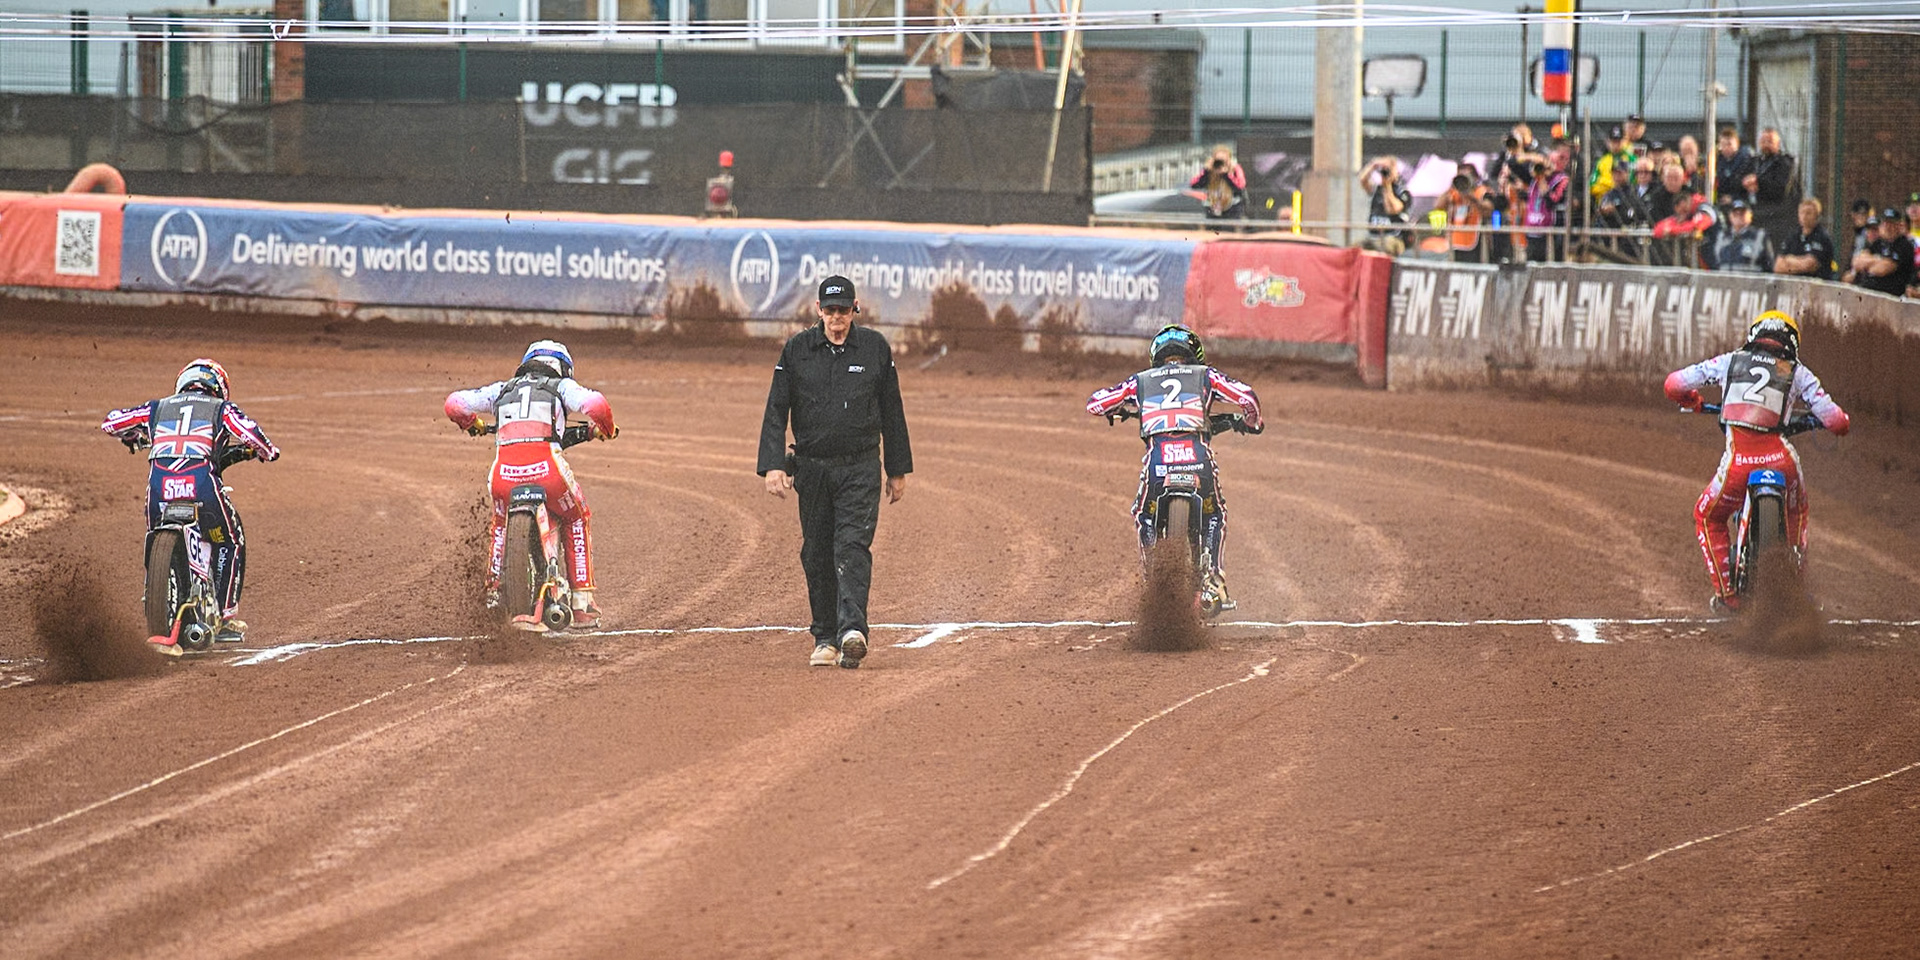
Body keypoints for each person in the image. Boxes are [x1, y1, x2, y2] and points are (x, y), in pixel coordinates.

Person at [757, 276, 912, 669]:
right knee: (817, 552)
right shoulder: (797, 351)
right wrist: (773, 465)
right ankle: (825, 635)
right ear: (818, 311)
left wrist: (897, 470)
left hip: (859, 466)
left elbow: (892, 410)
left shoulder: (875, 349)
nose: (837, 318)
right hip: (811, 469)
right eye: (830, 311)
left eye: (844, 311)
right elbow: (777, 410)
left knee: (851, 546)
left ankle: (852, 631)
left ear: (854, 309)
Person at [1663, 311, 1850, 613]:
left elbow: (1673, 385)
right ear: (1791, 343)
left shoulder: (1729, 361)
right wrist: (1838, 422)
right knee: (1798, 509)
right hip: (1781, 460)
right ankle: (1797, 587)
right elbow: (1837, 422)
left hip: (1738, 463)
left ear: (1753, 336)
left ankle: (1728, 597)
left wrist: (1692, 401)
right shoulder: (1798, 372)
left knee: (1707, 517)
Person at [100, 359, 281, 649]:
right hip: (202, 486)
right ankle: (224, 616)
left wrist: (134, 436)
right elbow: (249, 432)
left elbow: (110, 423)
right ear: (219, 387)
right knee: (229, 540)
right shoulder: (221, 409)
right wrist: (268, 451)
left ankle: (155, 595)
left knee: (152, 535)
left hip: (160, 488)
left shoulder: (157, 408)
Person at [1085, 324, 1263, 616]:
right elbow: (1248, 398)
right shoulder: (1206, 376)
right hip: (1198, 457)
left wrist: (1114, 410)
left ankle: (1151, 582)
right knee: (1215, 514)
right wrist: (1253, 423)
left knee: (1143, 515)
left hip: (1158, 461)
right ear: (1195, 354)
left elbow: (1095, 404)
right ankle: (1214, 581)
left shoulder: (1139, 382)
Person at [444, 340, 618, 629]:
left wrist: (471, 423)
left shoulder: (502, 390)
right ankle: (581, 603)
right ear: (563, 368)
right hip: (549, 473)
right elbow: (597, 404)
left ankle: (493, 595)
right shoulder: (561, 387)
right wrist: (606, 429)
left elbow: (454, 404)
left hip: (503, 476)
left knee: (500, 524)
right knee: (577, 517)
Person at [1850, 209, 1917, 297]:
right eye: (1885, 223)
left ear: (1898, 225)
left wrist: (1869, 264)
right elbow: (1857, 262)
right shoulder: (1877, 243)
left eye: (1891, 223)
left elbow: (1883, 269)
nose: (1888, 227)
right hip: (1867, 291)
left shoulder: (1904, 245)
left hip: (1891, 295)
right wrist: (1878, 260)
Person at [1440, 162, 1496, 263]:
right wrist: (1452, 187)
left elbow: (1488, 210)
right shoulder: (1454, 193)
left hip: (1476, 242)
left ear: (1474, 177)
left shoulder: (1483, 192)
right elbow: (1438, 206)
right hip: (1456, 241)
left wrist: (1470, 196)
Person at [1522, 150, 1570, 263]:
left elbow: (1552, 202)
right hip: (1532, 229)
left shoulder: (1562, 180)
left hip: (1550, 231)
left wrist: (1542, 180)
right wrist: (1530, 157)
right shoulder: (1534, 178)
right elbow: (1514, 165)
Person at [1651, 191, 1720, 268]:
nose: (1682, 215)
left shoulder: (1705, 207)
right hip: (1701, 261)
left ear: (1689, 201)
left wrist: (1673, 230)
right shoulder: (1685, 214)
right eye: (1679, 212)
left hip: (1719, 257)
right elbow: (1658, 229)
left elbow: (1699, 224)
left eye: (1684, 210)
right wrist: (1674, 227)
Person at [1360, 156, 1412, 256]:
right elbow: (1363, 181)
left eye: (1389, 170)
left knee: (1383, 249)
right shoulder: (1376, 189)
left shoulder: (1402, 192)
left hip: (1393, 238)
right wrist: (1373, 165)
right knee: (1357, 250)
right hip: (1373, 236)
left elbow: (1392, 209)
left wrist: (1387, 186)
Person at [1773, 198, 1836, 281]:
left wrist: (1789, 260)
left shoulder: (1822, 237)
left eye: (1808, 213)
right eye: (1802, 212)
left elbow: (1810, 265)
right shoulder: (1793, 236)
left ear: (1816, 215)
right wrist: (1799, 263)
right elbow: (1778, 266)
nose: (1804, 216)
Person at [1709, 199, 1774, 273]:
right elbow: (1714, 264)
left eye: (1742, 213)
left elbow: (1769, 267)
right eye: (1735, 213)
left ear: (1750, 215)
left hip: (1751, 283)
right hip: (1724, 283)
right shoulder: (1721, 236)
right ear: (1730, 216)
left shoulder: (1760, 236)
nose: (1738, 216)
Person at [1190, 144, 1248, 224]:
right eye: (1218, 161)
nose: (1220, 164)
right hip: (1213, 206)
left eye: (1223, 161)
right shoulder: (1210, 170)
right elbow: (1194, 185)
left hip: (1232, 207)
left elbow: (1240, 186)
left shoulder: (1235, 168)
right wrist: (1207, 172)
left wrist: (1227, 175)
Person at [1713, 126, 1755, 205]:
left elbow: (1742, 184)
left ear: (1737, 144)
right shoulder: (1717, 160)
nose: (1726, 148)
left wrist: (1733, 198)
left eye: (1729, 144)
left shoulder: (1745, 160)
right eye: (1723, 144)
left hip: (1741, 200)